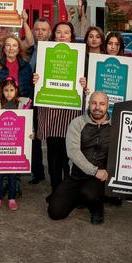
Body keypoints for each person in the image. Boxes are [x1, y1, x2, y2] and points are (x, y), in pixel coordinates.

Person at [34, 21, 87, 193]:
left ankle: (67, 191)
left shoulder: (80, 57)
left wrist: (84, 83)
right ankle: (55, 189)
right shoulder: (45, 53)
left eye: (66, 32)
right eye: (59, 32)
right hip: (50, 108)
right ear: (53, 34)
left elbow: (87, 87)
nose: (62, 35)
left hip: (70, 110)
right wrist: (35, 79)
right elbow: (37, 80)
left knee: (68, 153)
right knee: (52, 153)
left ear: (72, 36)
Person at [47, 91, 111, 225]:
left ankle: (97, 208)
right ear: (89, 104)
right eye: (94, 103)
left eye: (102, 104)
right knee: (55, 212)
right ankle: (77, 198)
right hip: (77, 175)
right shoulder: (77, 123)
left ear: (107, 105)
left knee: (89, 193)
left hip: (99, 178)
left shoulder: (114, 126)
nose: (97, 107)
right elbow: (73, 152)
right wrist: (93, 170)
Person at [0, 77, 33, 211]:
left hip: (15, 147)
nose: (9, 93)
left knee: (13, 174)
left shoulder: (23, 105)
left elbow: (28, 123)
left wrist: (31, 133)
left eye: (12, 90)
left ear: (16, 90)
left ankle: (12, 198)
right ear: (2, 90)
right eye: (6, 90)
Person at [28, 17, 52, 185]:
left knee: (50, 137)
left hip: (50, 99)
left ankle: (55, 173)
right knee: (34, 136)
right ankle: (38, 172)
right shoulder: (29, 50)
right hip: (32, 98)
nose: (40, 32)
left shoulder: (54, 50)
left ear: (49, 32)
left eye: (44, 29)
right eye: (37, 29)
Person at [0, 35, 33, 100]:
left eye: (14, 45)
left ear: (18, 49)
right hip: (0, 106)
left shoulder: (26, 67)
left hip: (21, 106)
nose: (11, 48)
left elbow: (30, 90)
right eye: (8, 45)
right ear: (4, 49)